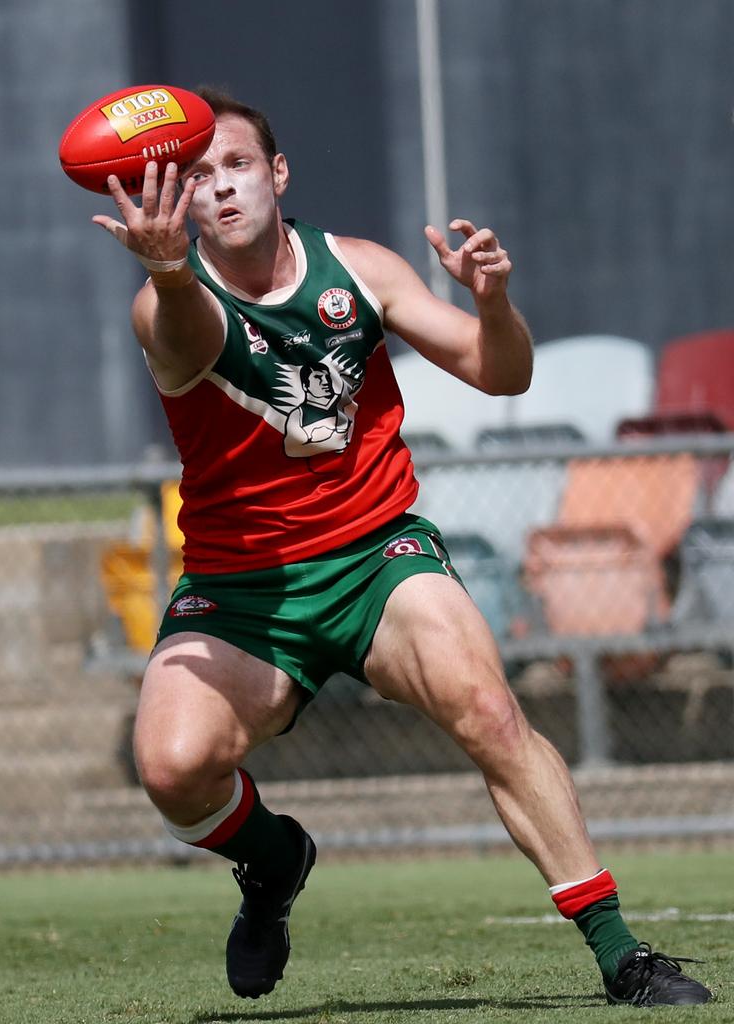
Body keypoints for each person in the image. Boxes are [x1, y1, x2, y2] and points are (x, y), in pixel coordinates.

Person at [92, 88, 711, 1007]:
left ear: (279, 173)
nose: (221, 190)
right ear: (175, 200)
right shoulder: (165, 303)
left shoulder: (360, 268)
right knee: (173, 768)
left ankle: (622, 951)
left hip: (379, 556)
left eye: (237, 166)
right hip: (244, 587)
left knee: (491, 715)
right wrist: (176, 275)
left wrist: (494, 304)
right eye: (197, 177)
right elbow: (192, 338)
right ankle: (273, 863)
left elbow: (502, 375)